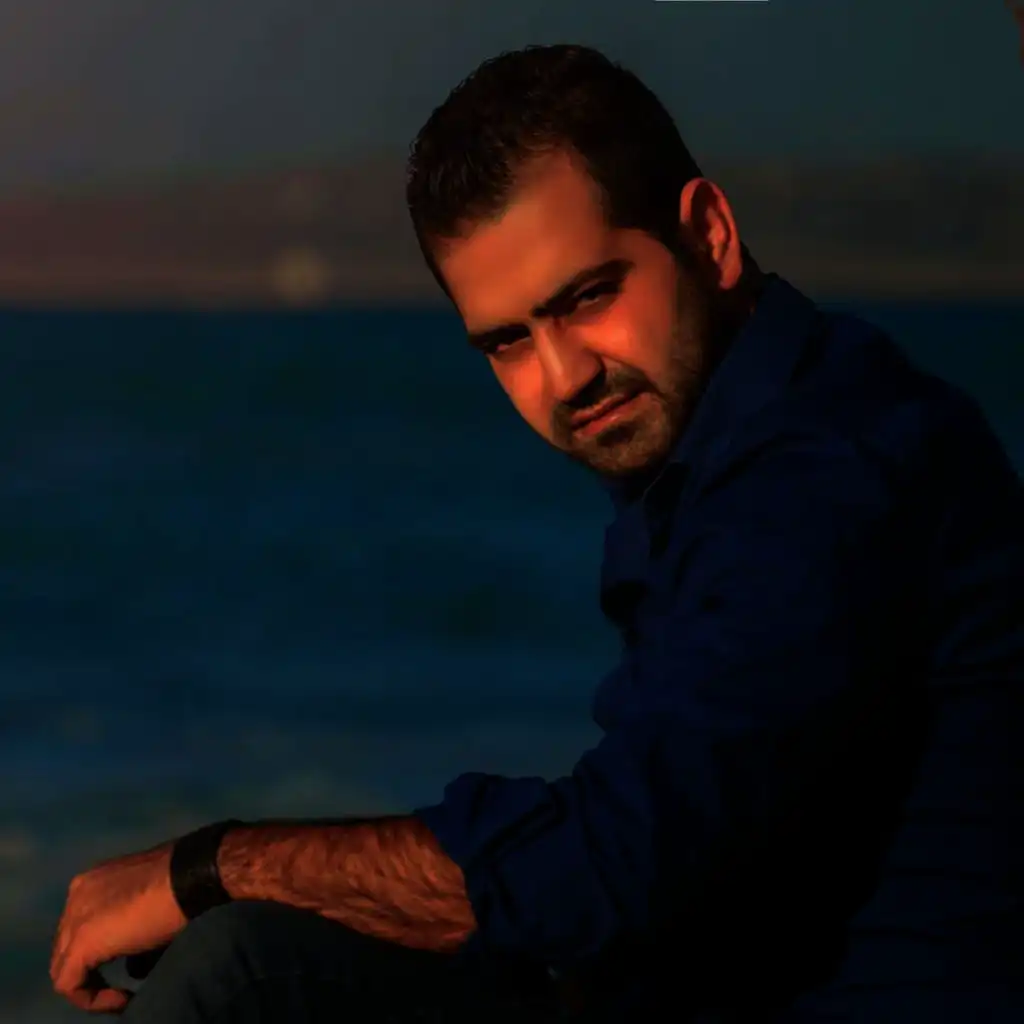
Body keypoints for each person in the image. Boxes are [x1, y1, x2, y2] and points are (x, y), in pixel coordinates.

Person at [50, 45, 1024, 1023]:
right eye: (509, 340)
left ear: (709, 236)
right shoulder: (738, 453)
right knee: (259, 961)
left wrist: (217, 867)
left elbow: (613, 866)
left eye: (588, 297)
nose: (565, 377)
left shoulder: (830, 469)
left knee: (245, 974)